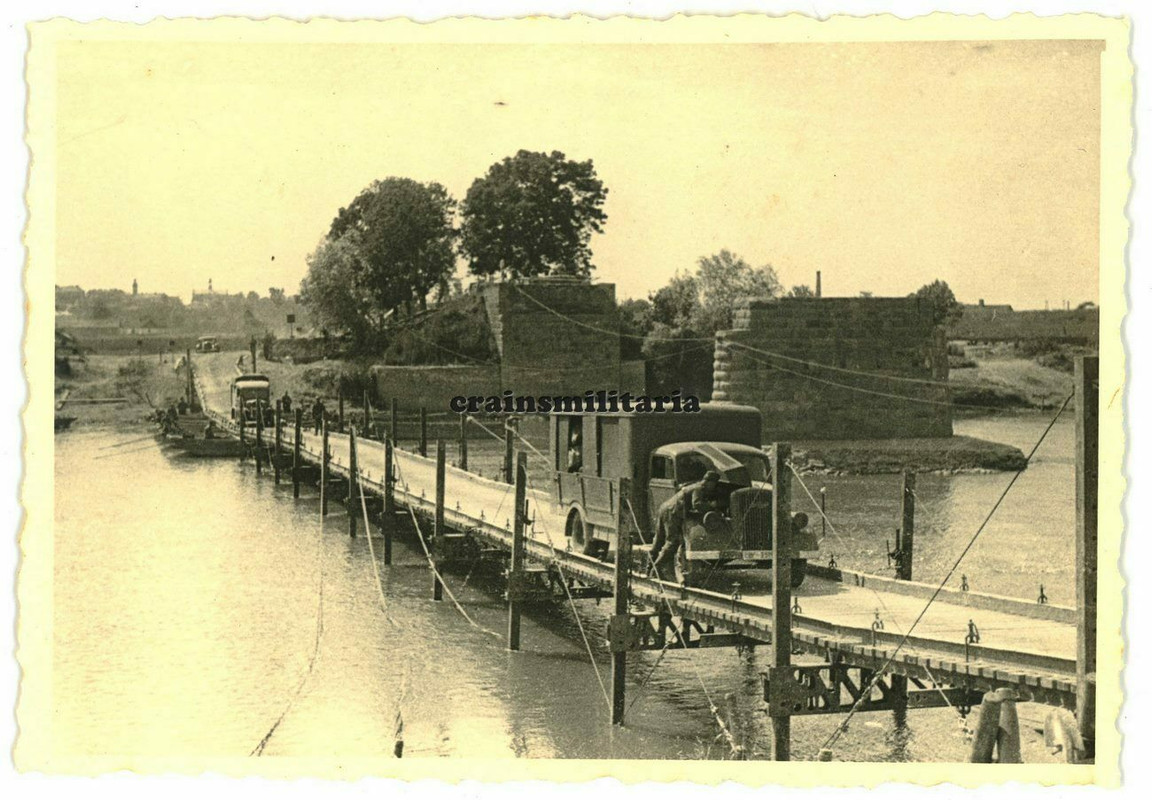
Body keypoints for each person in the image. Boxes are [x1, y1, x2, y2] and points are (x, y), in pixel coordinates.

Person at [650, 470, 722, 581]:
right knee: (672, 542)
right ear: (710, 482)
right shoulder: (699, 489)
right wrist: (711, 506)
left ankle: (649, 568)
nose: (713, 487)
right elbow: (697, 504)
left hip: (666, 508)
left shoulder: (695, 485)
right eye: (714, 484)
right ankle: (656, 569)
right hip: (673, 512)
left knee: (659, 540)